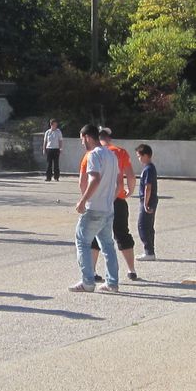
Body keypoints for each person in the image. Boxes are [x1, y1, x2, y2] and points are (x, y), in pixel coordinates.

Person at [71, 124, 120, 293]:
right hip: (108, 208)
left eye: (81, 139)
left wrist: (83, 200)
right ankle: (112, 282)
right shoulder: (111, 155)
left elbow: (95, 179)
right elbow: (116, 182)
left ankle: (87, 282)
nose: (81, 143)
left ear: (87, 137)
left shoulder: (93, 155)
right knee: (107, 245)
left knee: (82, 241)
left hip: (94, 208)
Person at [88, 128, 139, 281]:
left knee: (96, 235)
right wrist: (128, 191)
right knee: (122, 233)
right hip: (117, 200)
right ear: (109, 137)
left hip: (99, 201)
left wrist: (86, 199)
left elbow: (85, 179)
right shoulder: (120, 152)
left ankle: (92, 271)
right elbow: (130, 176)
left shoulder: (93, 154)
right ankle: (131, 270)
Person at [135, 144, 158, 261]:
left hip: (148, 199)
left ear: (146, 155)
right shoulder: (149, 168)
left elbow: (148, 187)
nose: (139, 159)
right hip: (150, 199)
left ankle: (148, 251)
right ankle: (150, 251)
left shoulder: (148, 168)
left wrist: (145, 203)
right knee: (149, 226)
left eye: (139, 156)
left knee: (142, 226)